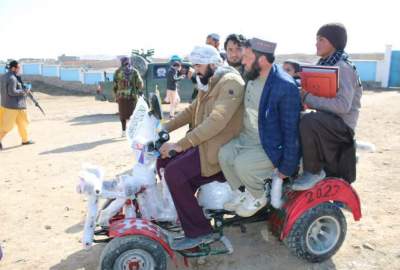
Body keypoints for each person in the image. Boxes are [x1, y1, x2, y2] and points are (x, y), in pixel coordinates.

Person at [157, 44, 245, 250]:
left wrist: (180, 145)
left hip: (219, 148)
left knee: (174, 173)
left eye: (199, 65)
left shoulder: (230, 82)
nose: (196, 70)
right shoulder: (210, 82)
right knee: (163, 161)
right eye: (195, 66)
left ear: (212, 63)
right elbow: (191, 110)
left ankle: (200, 232)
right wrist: (164, 128)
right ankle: (184, 213)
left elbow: (217, 120)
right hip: (205, 143)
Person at [219, 38, 301, 216]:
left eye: (247, 57)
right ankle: (243, 193)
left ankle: (259, 196)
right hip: (247, 137)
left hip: (269, 144)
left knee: (242, 165)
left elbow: (291, 132)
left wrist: (287, 167)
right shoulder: (251, 76)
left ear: (262, 59)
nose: (242, 61)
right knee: (224, 154)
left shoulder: (285, 87)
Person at [292, 23, 363, 190]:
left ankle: (313, 171)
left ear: (333, 42)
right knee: (296, 118)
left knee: (308, 121)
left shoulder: (342, 67)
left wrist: (308, 97)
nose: (316, 43)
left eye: (321, 39)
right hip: (327, 121)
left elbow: (343, 106)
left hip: (342, 126)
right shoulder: (326, 63)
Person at [0, 60, 34, 150]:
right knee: (7, 126)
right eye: (18, 67)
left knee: (22, 123)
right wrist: (24, 91)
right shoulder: (12, 78)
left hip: (15, 105)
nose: (19, 69)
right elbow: (12, 92)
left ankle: (25, 140)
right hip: (12, 107)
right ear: (13, 68)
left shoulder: (5, 76)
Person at [113, 56, 143, 137]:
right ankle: (133, 132)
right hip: (132, 97)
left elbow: (115, 85)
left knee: (122, 115)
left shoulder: (117, 72)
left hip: (121, 97)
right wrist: (139, 90)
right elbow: (140, 83)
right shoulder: (134, 71)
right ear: (129, 62)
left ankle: (123, 131)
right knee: (133, 114)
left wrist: (116, 95)